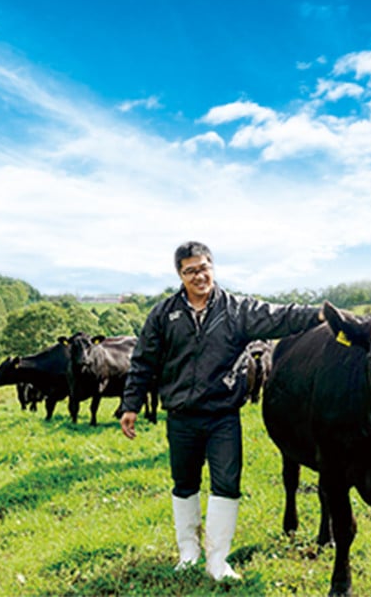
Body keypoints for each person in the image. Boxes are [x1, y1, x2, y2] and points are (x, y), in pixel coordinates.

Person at [119, 241, 323, 582]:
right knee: (184, 483)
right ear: (180, 275)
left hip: (222, 414)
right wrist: (131, 405)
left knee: (226, 484)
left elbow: (280, 316)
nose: (200, 275)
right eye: (191, 271)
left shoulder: (237, 310)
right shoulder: (163, 314)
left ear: (212, 266)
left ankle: (217, 560)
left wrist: (320, 314)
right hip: (181, 414)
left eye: (204, 267)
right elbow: (143, 361)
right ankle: (188, 553)